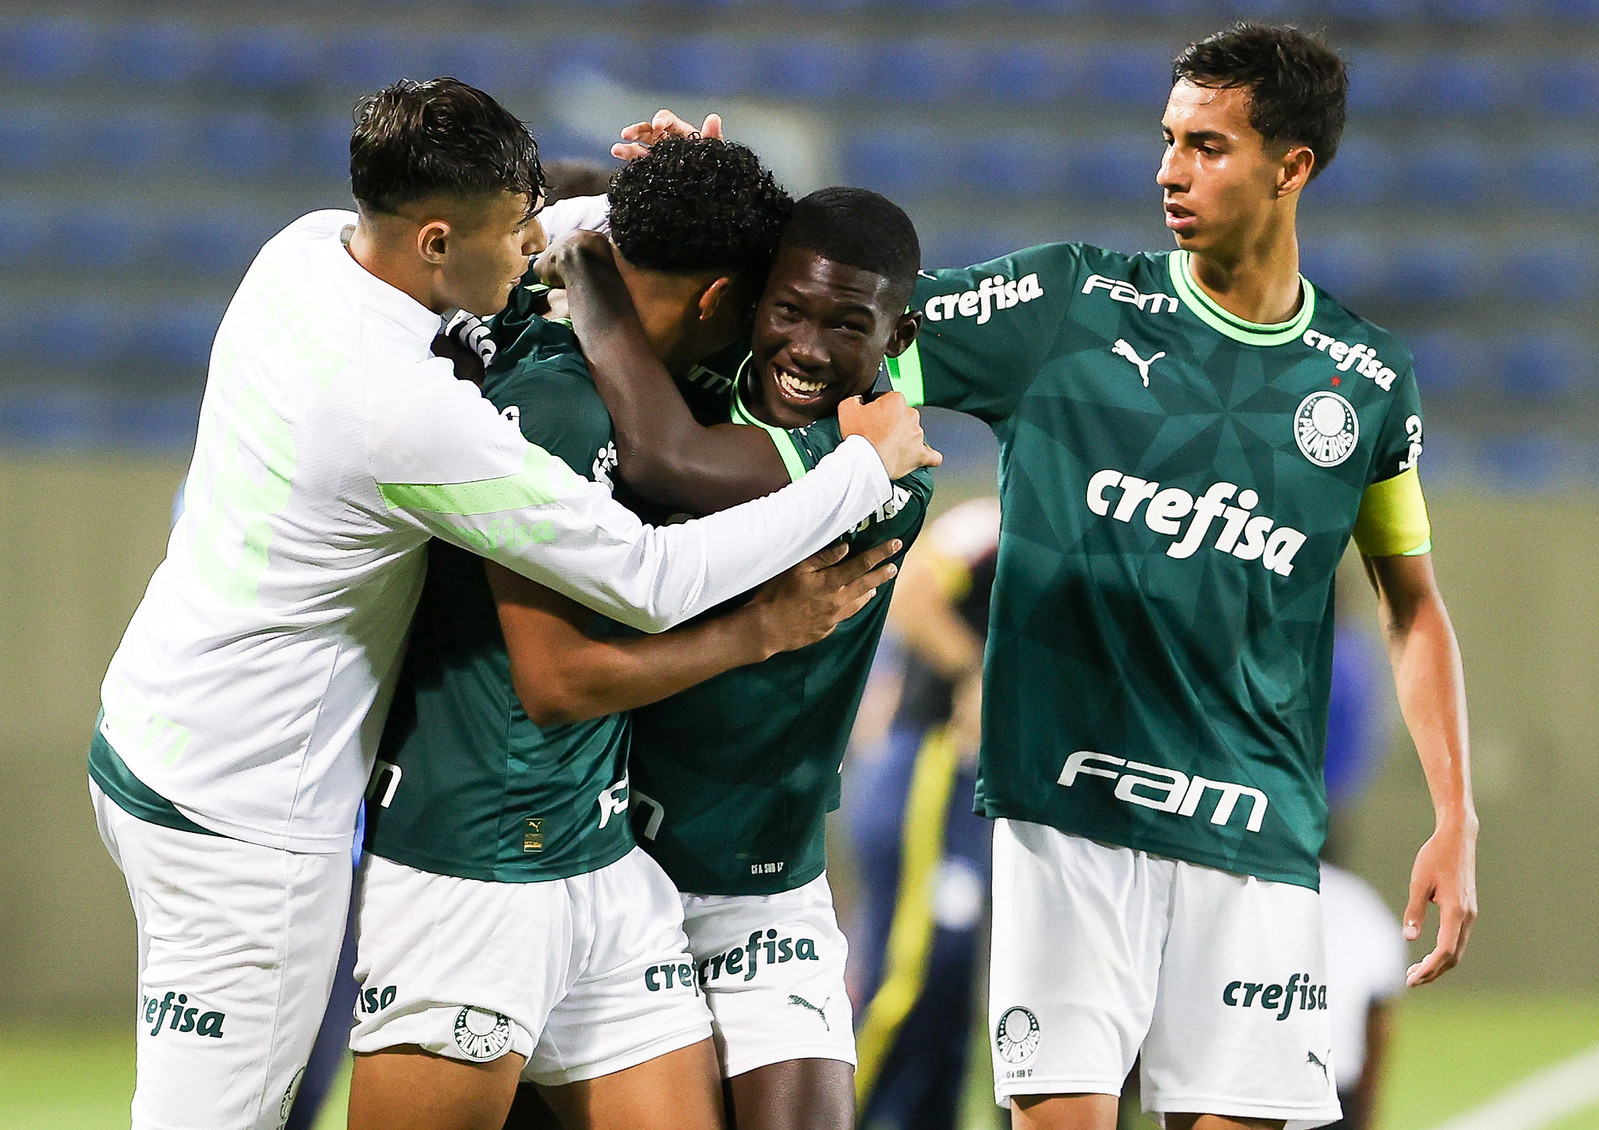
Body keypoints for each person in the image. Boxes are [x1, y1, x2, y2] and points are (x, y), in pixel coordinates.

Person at [610, 21, 1480, 1129]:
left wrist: (1455, 816)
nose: (1170, 168)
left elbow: (1414, 610)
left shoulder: (1365, 382)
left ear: (1292, 166)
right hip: (1063, 813)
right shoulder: (1067, 305)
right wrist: (712, 206)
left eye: (1208, 146)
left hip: (1254, 836)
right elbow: (844, 318)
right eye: (1169, 139)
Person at [88, 80, 933, 1130]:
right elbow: (642, 583)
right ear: (436, 242)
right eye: (516, 227)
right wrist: (852, 479)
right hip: (257, 810)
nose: (540, 240)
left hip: (565, 841)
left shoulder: (311, 248)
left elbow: (572, 233)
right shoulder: (415, 412)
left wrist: (677, 190)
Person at [346, 134, 903, 1130]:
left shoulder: (623, 381)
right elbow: (556, 679)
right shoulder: (555, 403)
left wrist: (666, 182)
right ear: (715, 299)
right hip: (479, 858)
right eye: (764, 302)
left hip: (599, 858)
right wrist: (765, 626)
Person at [539, 185, 933, 1130]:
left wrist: (585, 264)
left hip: (759, 885)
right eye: (788, 310)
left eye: (847, 325)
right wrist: (667, 173)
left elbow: (663, 464)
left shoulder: (876, 465)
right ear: (751, 299)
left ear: (897, 337)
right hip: (611, 869)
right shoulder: (696, 378)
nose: (805, 347)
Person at [847, 496, 1001, 1130]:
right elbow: (912, 587)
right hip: (929, 772)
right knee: (905, 975)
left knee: (950, 981)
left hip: (973, 793)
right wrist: (975, 671)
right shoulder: (996, 521)